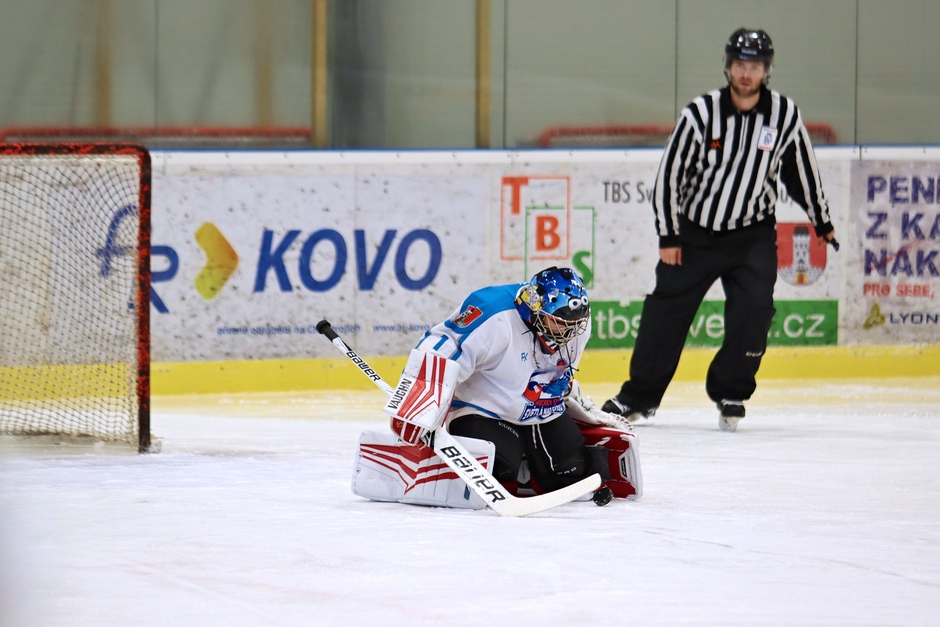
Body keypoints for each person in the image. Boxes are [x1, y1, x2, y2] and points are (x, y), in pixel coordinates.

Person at [602, 28, 836, 432]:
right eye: (740, 64)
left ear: (767, 70)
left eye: (755, 66)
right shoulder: (701, 113)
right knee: (666, 313)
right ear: (728, 67)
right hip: (695, 234)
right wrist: (669, 235)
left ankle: (731, 391)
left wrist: (822, 220)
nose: (746, 73)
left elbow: (802, 172)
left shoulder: (784, 115)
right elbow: (669, 176)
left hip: (752, 234)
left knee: (755, 310)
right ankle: (638, 396)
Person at [386, 266, 637, 506]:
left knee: (570, 468)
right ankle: (515, 462)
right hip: (484, 409)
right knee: (500, 467)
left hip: (539, 409)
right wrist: (418, 403)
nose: (568, 333)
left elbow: (555, 371)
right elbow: (442, 346)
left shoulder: (575, 324)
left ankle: (527, 463)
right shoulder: (493, 313)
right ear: (535, 310)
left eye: (574, 325)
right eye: (559, 323)